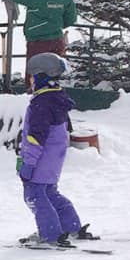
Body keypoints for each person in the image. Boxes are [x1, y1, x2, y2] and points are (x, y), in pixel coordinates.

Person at [16, 53, 89, 247]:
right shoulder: (57, 98)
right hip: (54, 158)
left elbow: (35, 138)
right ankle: (71, 226)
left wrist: (28, 164)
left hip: (41, 158)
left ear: (41, 77)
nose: (30, 81)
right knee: (50, 192)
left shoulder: (41, 104)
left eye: (32, 77)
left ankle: (50, 235)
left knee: (34, 194)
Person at [8, 0, 77, 64]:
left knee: (35, 74)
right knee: (54, 74)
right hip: (57, 40)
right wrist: (55, 25)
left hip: (37, 42)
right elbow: (71, 18)